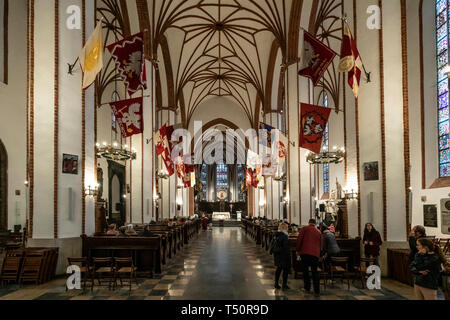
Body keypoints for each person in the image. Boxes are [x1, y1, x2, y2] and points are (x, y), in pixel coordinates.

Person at [296, 219, 322, 297]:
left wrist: (297, 250)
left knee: (305, 271)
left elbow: (299, 239)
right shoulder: (319, 232)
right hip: (315, 254)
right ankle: (317, 290)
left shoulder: (304, 229)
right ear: (315, 223)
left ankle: (307, 288)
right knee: (315, 272)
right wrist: (319, 253)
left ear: (309, 222)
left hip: (305, 252)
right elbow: (321, 244)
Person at [271, 223, 291, 290]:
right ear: (284, 228)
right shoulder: (285, 236)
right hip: (283, 255)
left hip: (277, 254)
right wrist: (288, 255)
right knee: (285, 270)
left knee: (279, 269)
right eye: (287, 227)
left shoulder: (276, 235)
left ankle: (276, 283)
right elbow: (285, 247)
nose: (288, 229)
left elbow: (273, 244)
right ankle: (284, 284)